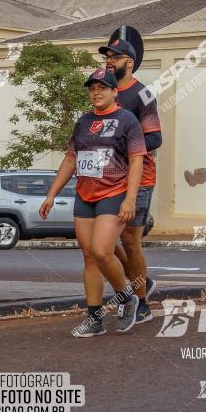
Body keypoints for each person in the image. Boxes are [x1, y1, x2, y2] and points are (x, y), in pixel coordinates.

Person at [39, 67, 146, 336]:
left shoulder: (127, 121)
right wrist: (52, 193)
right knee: (89, 257)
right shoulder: (84, 121)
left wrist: (130, 199)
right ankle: (94, 319)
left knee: (101, 251)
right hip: (85, 194)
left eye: (102, 87)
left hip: (114, 193)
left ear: (114, 91)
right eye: (92, 87)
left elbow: (136, 160)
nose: (96, 91)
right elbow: (71, 158)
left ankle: (126, 296)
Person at [97, 35, 162, 324]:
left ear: (130, 62)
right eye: (107, 57)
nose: (109, 61)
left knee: (130, 241)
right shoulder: (104, 91)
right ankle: (141, 283)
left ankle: (143, 304)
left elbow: (155, 137)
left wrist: (121, 144)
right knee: (105, 243)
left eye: (115, 56)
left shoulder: (142, 95)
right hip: (108, 177)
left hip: (140, 176)